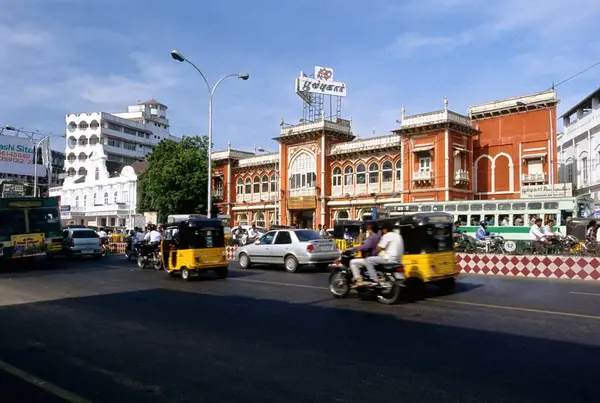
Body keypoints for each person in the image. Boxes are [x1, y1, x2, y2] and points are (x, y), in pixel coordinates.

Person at [363, 222, 404, 287]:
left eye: (382, 229)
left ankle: (375, 280)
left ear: (385, 229)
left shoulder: (386, 235)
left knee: (368, 260)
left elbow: (378, 248)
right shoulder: (399, 236)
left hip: (389, 259)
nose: (382, 231)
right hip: (398, 260)